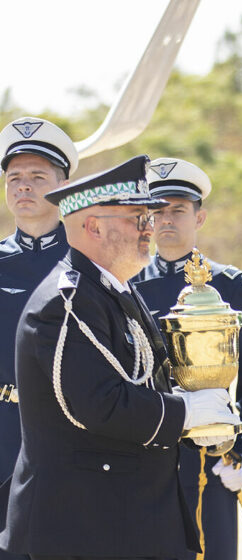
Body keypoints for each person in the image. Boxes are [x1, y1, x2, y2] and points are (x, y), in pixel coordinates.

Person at [0, 155, 240, 559]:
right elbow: (99, 404)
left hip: (123, 516)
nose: (150, 229)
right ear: (93, 226)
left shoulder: (116, 289)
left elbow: (148, 377)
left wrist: (199, 417)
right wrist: (188, 413)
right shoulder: (67, 302)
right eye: (137, 219)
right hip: (83, 526)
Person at [131, 157, 242, 560]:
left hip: (209, 451)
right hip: (146, 450)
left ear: (199, 217)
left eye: (178, 210)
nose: (166, 220)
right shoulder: (125, 282)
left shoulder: (229, 285)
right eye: (158, 211)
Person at [0, 118, 77, 513]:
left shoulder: (91, 262)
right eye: (13, 177)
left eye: (36, 175)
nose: (23, 185)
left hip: (69, 442)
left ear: (63, 187)